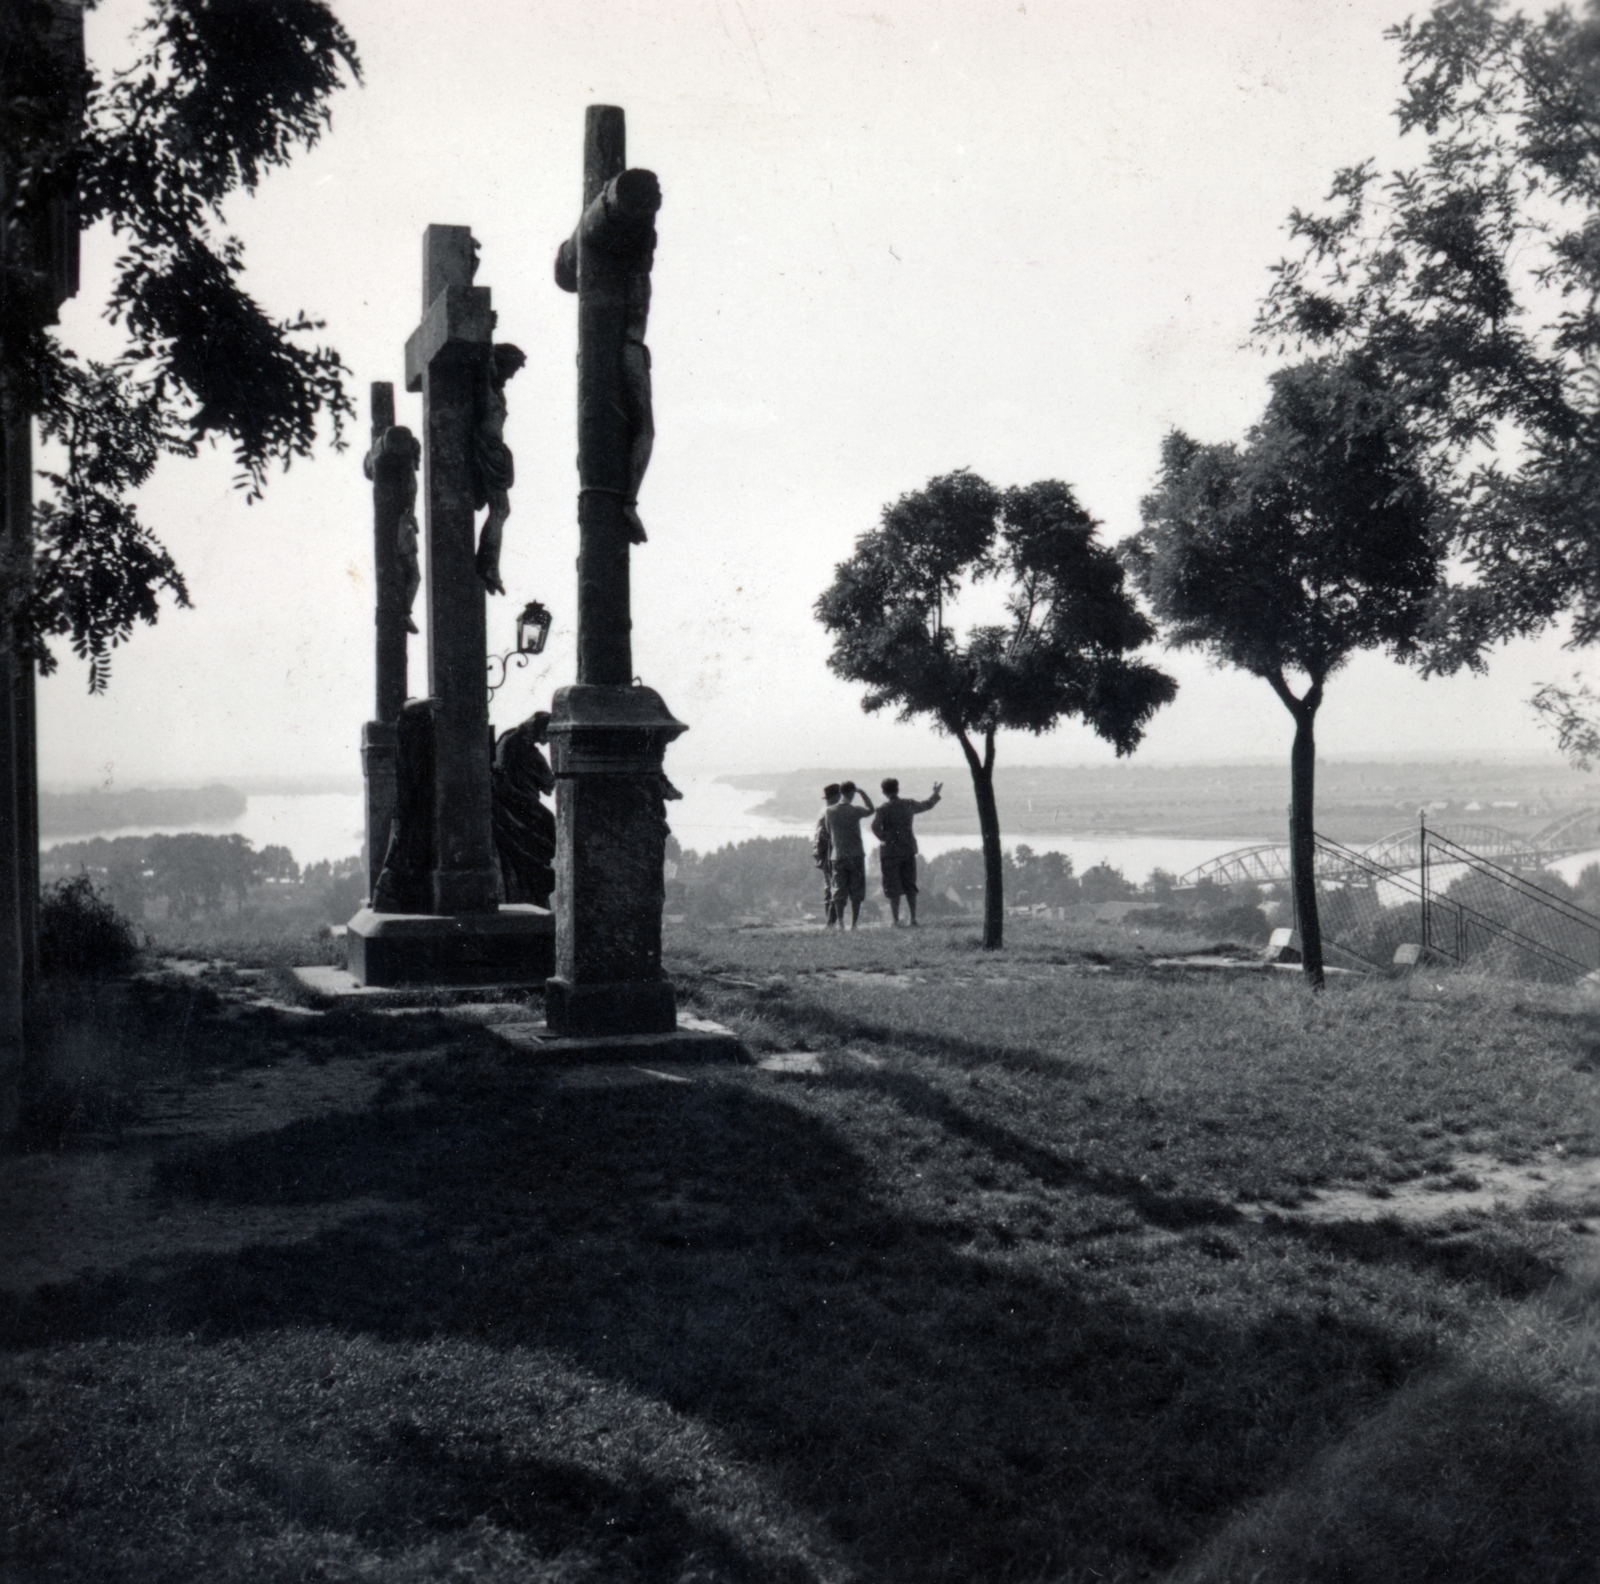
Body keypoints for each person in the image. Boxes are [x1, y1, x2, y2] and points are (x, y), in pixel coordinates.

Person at [871, 777, 942, 925]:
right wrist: (935, 794)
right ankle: (913, 918)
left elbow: (875, 827)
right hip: (908, 849)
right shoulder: (908, 804)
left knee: (892, 886)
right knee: (910, 884)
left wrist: (885, 838)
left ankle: (896, 920)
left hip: (890, 852)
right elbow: (927, 805)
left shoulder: (882, 809)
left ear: (883, 791)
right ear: (897, 789)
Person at [822, 780, 875, 930]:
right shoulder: (855, 810)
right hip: (856, 855)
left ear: (841, 793)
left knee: (839, 891)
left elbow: (828, 829)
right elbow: (871, 810)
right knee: (856, 892)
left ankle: (840, 923)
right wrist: (863, 795)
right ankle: (854, 924)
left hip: (837, 855)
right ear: (852, 793)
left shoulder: (829, 811)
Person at [813, 783, 841, 926]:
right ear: (837, 796)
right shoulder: (831, 812)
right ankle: (831, 923)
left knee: (828, 888)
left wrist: (819, 856)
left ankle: (830, 923)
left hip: (824, 855)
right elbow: (824, 836)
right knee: (834, 888)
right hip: (831, 854)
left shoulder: (823, 811)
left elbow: (818, 837)